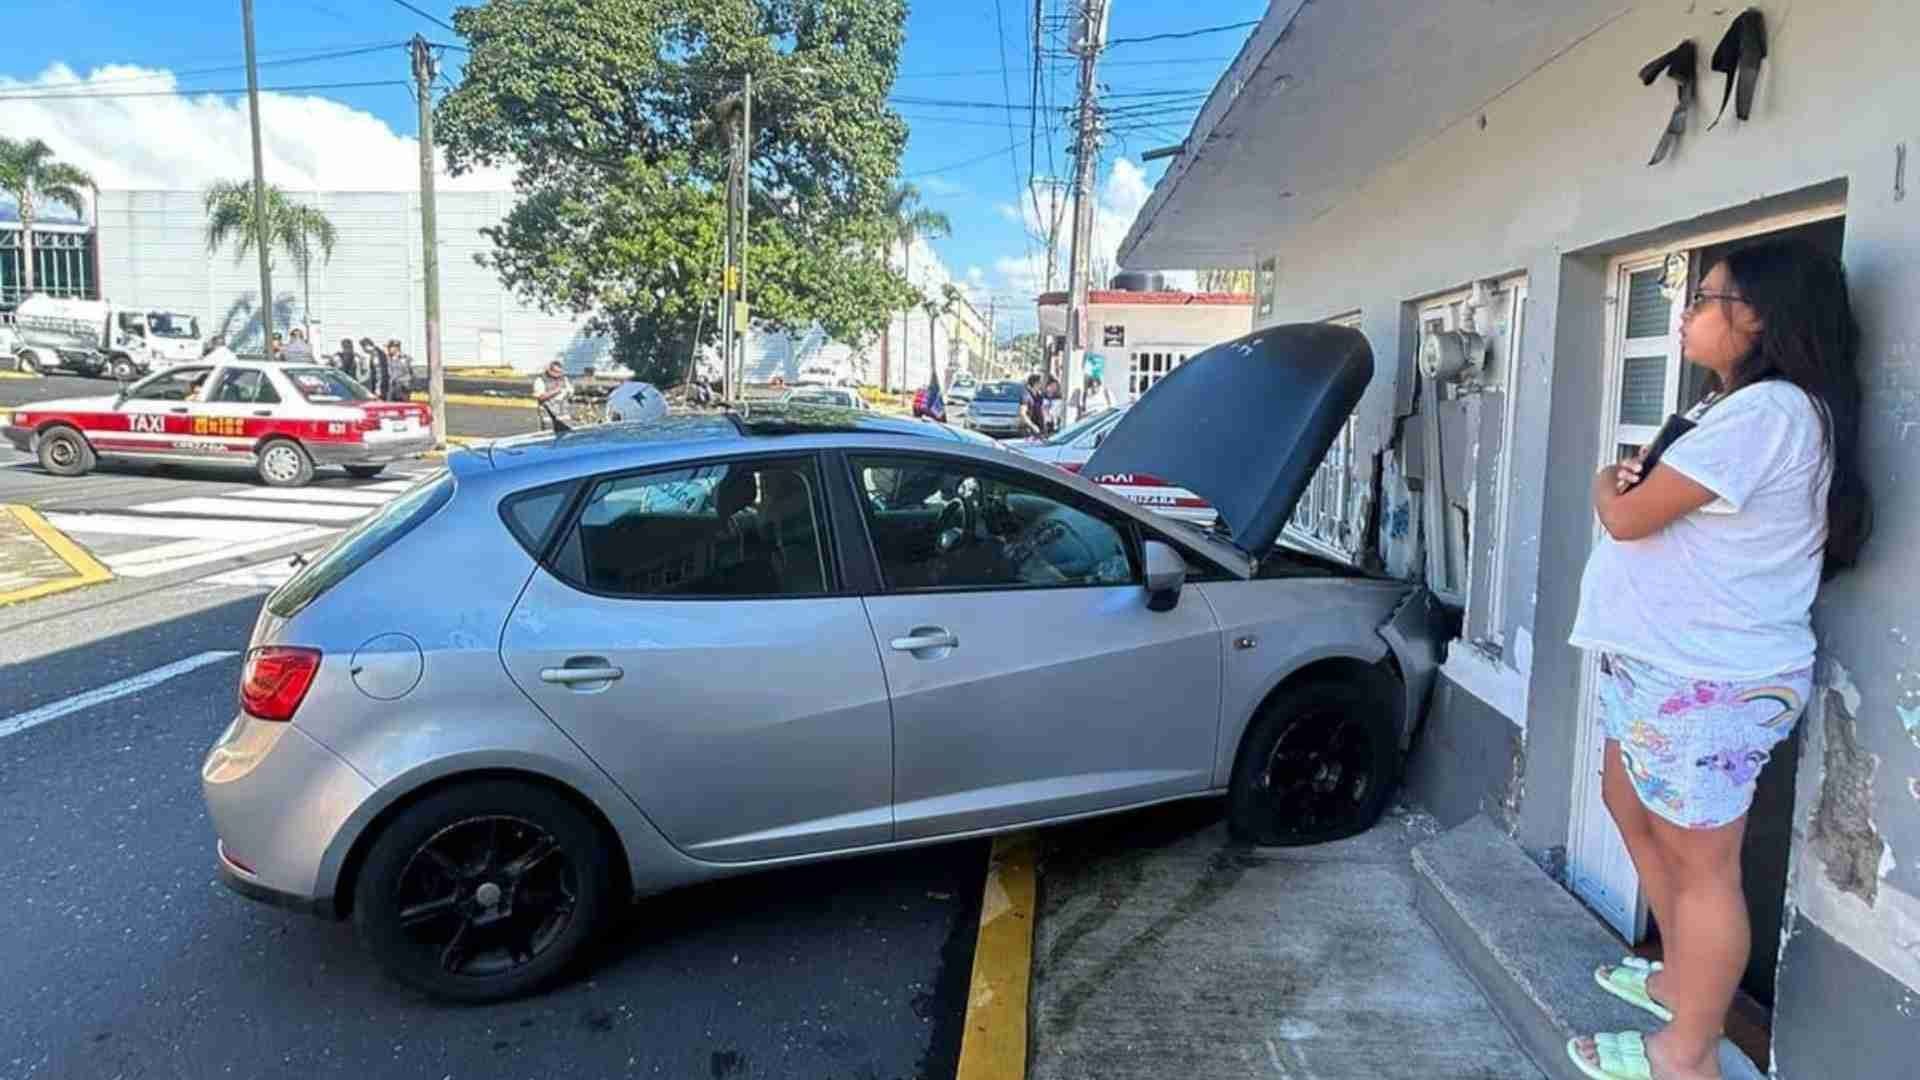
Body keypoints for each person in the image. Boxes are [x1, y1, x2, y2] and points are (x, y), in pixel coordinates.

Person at [1567, 242, 1870, 1080]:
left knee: (1705, 865)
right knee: (1625, 802)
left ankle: (1687, 1052)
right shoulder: (1729, 406)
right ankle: (1680, 980)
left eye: (1708, 298)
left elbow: (1627, 518)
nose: (1690, 312)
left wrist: (1603, 483)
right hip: (1663, 667)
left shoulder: (1771, 411)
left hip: (1706, 679)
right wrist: (1626, 487)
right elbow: (1657, 508)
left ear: (1760, 318)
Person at [533, 360, 574, 430]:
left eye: (560, 372)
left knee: (566, 433)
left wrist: (568, 394)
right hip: (548, 412)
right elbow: (540, 397)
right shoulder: (540, 380)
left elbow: (570, 392)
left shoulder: (564, 379)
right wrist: (556, 391)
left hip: (563, 412)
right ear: (549, 370)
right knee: (549, 434)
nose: (558, 374)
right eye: (556, 372)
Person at [1019, 373, 1046, 438]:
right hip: (1029, 430)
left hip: (1040, 428)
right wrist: (1032, 426)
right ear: (1035, 383)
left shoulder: (1039, 395)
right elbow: (1022, 414)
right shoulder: (1026, 395)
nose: (1042, 384)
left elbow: (1042, 409)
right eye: (1041, 382)